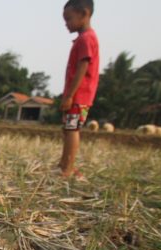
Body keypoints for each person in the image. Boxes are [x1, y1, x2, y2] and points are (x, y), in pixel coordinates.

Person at [58, 0, 99, 179]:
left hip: (79, 94)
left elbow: (82, 68)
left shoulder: (86, 39)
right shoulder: (83, 39)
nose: (66, 23)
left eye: (69, 18)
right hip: (77, 94)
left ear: (84, 14)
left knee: (72, 129)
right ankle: (65, 165)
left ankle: (67, 169)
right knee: (68, 128)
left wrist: (70, 95)